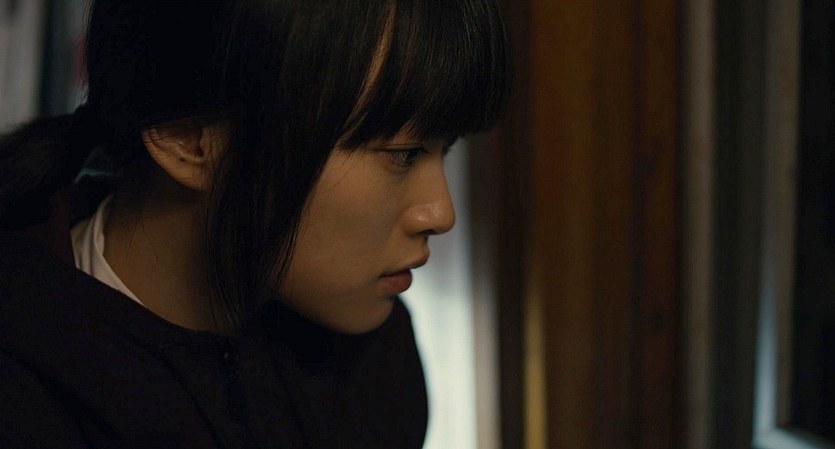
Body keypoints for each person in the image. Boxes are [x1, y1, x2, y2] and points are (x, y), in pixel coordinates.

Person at [0, 0, 507, 447]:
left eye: (445, 148)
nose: (441, 213)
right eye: (403, 152)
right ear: (189, 141)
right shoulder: (26, 395)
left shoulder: (374, 363)